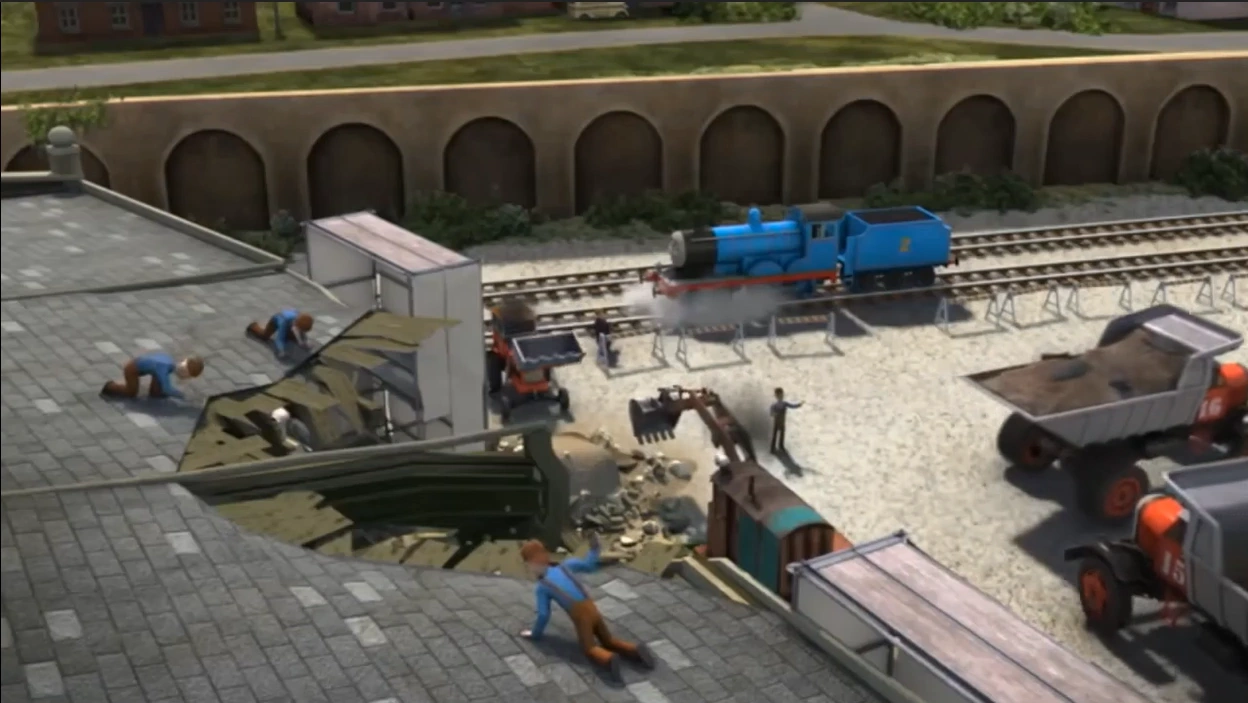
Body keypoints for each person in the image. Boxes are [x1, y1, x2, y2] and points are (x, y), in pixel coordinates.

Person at [519, 532, 655, 681]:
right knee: (608, 640)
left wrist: (535, 634)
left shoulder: (543, 587)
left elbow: (543, 615)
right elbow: (589, 565)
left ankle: (608, 659)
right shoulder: (567, 565)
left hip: (581, 617)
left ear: (532, 564)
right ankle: (635, 650)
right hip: (593, 609)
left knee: (589, 647)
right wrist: (594, 549)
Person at [101, 353, 204, 400]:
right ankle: (110, 386)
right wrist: (181, 395)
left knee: (157, 389)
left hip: (146, 367)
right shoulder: (165, 367)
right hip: (132, 369)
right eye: (186, 376)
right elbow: (167, 388)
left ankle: (154, 392)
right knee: (131, 393)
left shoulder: (169, 364)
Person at [246, 309, 314, 357]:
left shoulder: (301, 319)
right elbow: (280, 338)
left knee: (294, 336)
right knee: (264, 336)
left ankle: (290, 335)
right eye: (299, 329)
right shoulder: (283, 322)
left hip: (291, 323)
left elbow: (302, 333)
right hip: (276, 320)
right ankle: (253, 326)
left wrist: (305, 342)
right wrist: (281, 351)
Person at [769, 387, 803, 454]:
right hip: (777, 422)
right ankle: (773, 448)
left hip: (782, 422)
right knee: (775, 435)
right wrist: (775, 414)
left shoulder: (784, 403)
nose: (781, 396)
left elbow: (792, 406)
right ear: (776, 396)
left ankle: (780, 446)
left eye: (781, 395)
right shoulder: (774, 405)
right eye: (779, 395)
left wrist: (799, 405)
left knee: (782, 434)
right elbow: (771, 413)